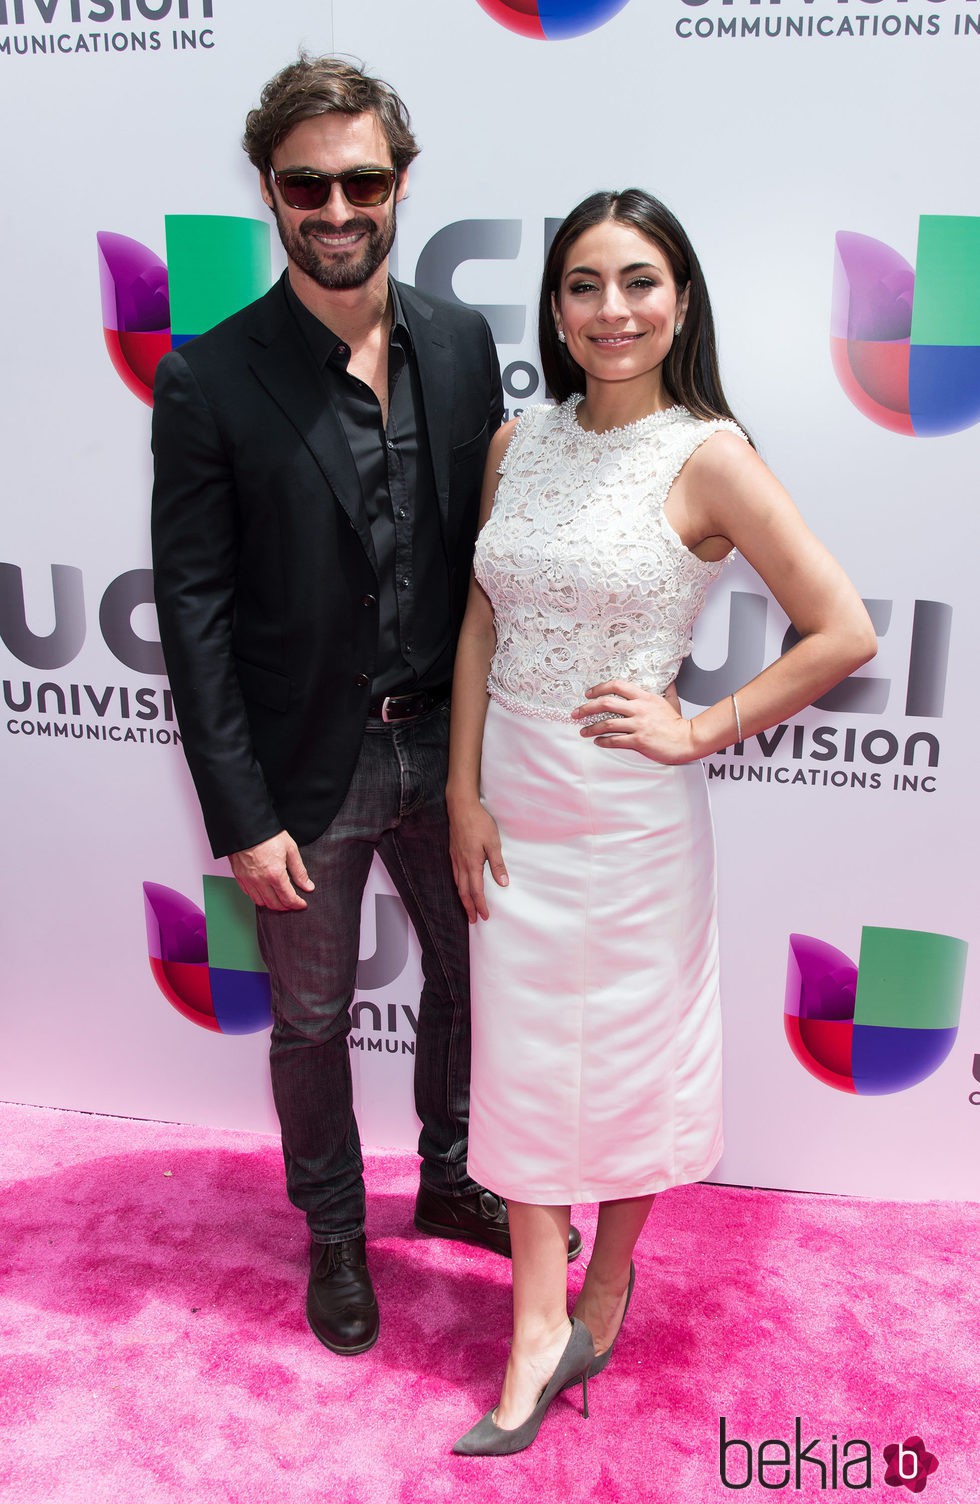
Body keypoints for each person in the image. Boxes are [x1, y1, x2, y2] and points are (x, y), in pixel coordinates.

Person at [151, 55, 581, 1360]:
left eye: (362, 180)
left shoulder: (462, 343)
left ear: (401, 184)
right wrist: (241, 810)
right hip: (307, 770)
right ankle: (334, 1230)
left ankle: (450, 1173)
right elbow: (196, 614)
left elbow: (491, 559)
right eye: (307, 185)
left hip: (449, 749)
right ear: (271, 193)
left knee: (469, 980)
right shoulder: (209, 379)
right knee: (315, 1019)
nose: (336, 207)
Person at [446, 189, 877, 1453]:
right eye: (583, 284)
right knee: (521, 1065)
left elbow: (841, 627)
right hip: (515, 800)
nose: (611, 309)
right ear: (556, 309)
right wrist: (464, 789)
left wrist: (701, 723)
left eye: (637, 281)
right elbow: (481, 618)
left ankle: (606, 1283)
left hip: (633, 816)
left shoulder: (709, 453)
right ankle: (534, 1323)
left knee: (629, 1059)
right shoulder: (516, 442)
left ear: (678, 299)